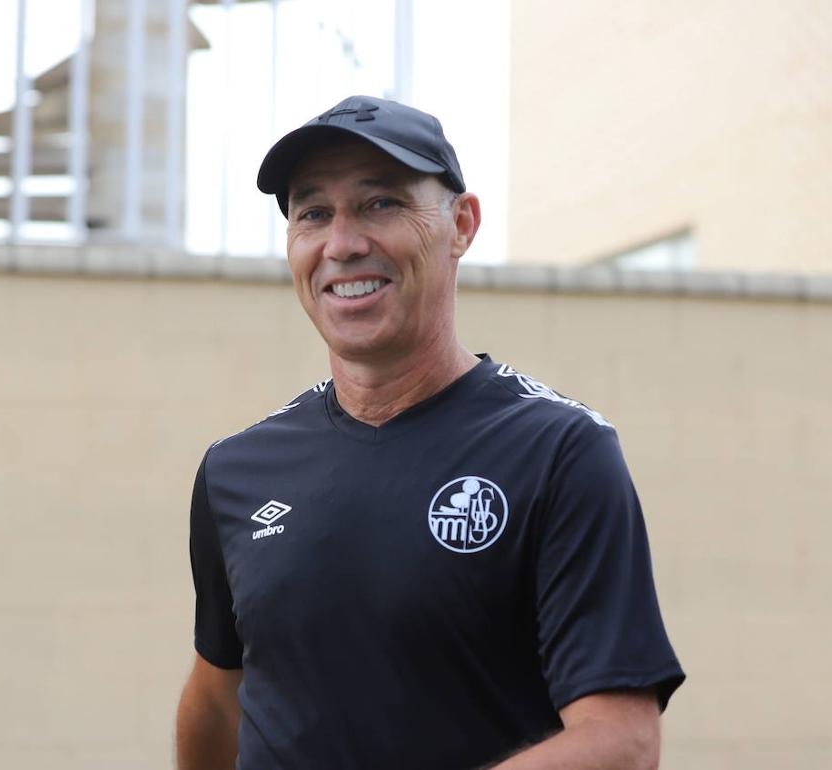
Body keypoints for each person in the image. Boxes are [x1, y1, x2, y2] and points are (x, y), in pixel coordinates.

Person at [175, 95, 684, 770]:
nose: (342, 244)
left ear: (461, 225)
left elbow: (621, 741)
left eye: (381, 203)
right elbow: (217, 702)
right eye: (313, 213)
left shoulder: (558, 451)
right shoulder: (236, 471)